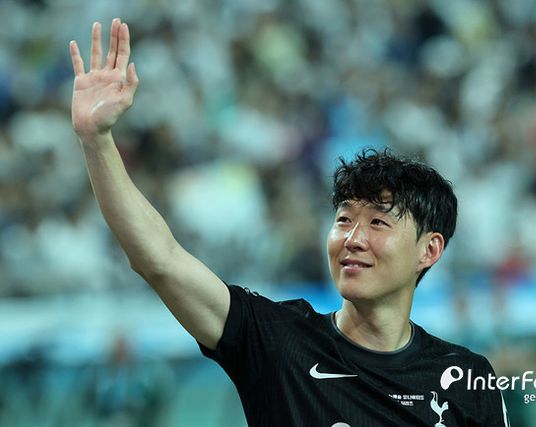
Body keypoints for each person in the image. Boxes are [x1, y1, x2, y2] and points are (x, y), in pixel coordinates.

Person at [69, 18, 510, 427]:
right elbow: (160, 260)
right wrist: (97, 140)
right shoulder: (278, 342)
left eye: (378, 223)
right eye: (344, 220)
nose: (352, 239)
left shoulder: (466, 380)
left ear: (429, 249)